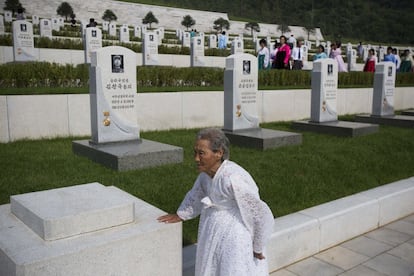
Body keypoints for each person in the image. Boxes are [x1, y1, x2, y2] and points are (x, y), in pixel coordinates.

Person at [158, 128, 274, 276]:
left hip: (234, 234)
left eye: (201, 153)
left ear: (219, 153)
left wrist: (258, 246)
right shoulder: (205, 176)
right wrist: (181, 214)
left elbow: (258, 212)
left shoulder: (233, 178)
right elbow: (196, 196)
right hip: (213, 227)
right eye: (195, 152)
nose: (196, 158)